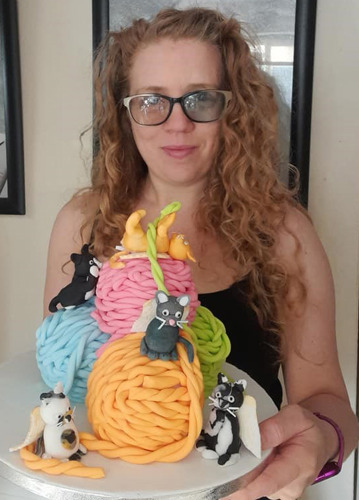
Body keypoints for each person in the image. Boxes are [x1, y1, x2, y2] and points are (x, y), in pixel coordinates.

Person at [43, 7, 358, 500]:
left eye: (200, 99)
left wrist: (322, 443)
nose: (177, 123)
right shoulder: (82, 223)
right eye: (152, 101)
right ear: (126, 114)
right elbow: (57, 379)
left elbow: (329, 401)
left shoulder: (284, 235)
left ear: (232, 109)